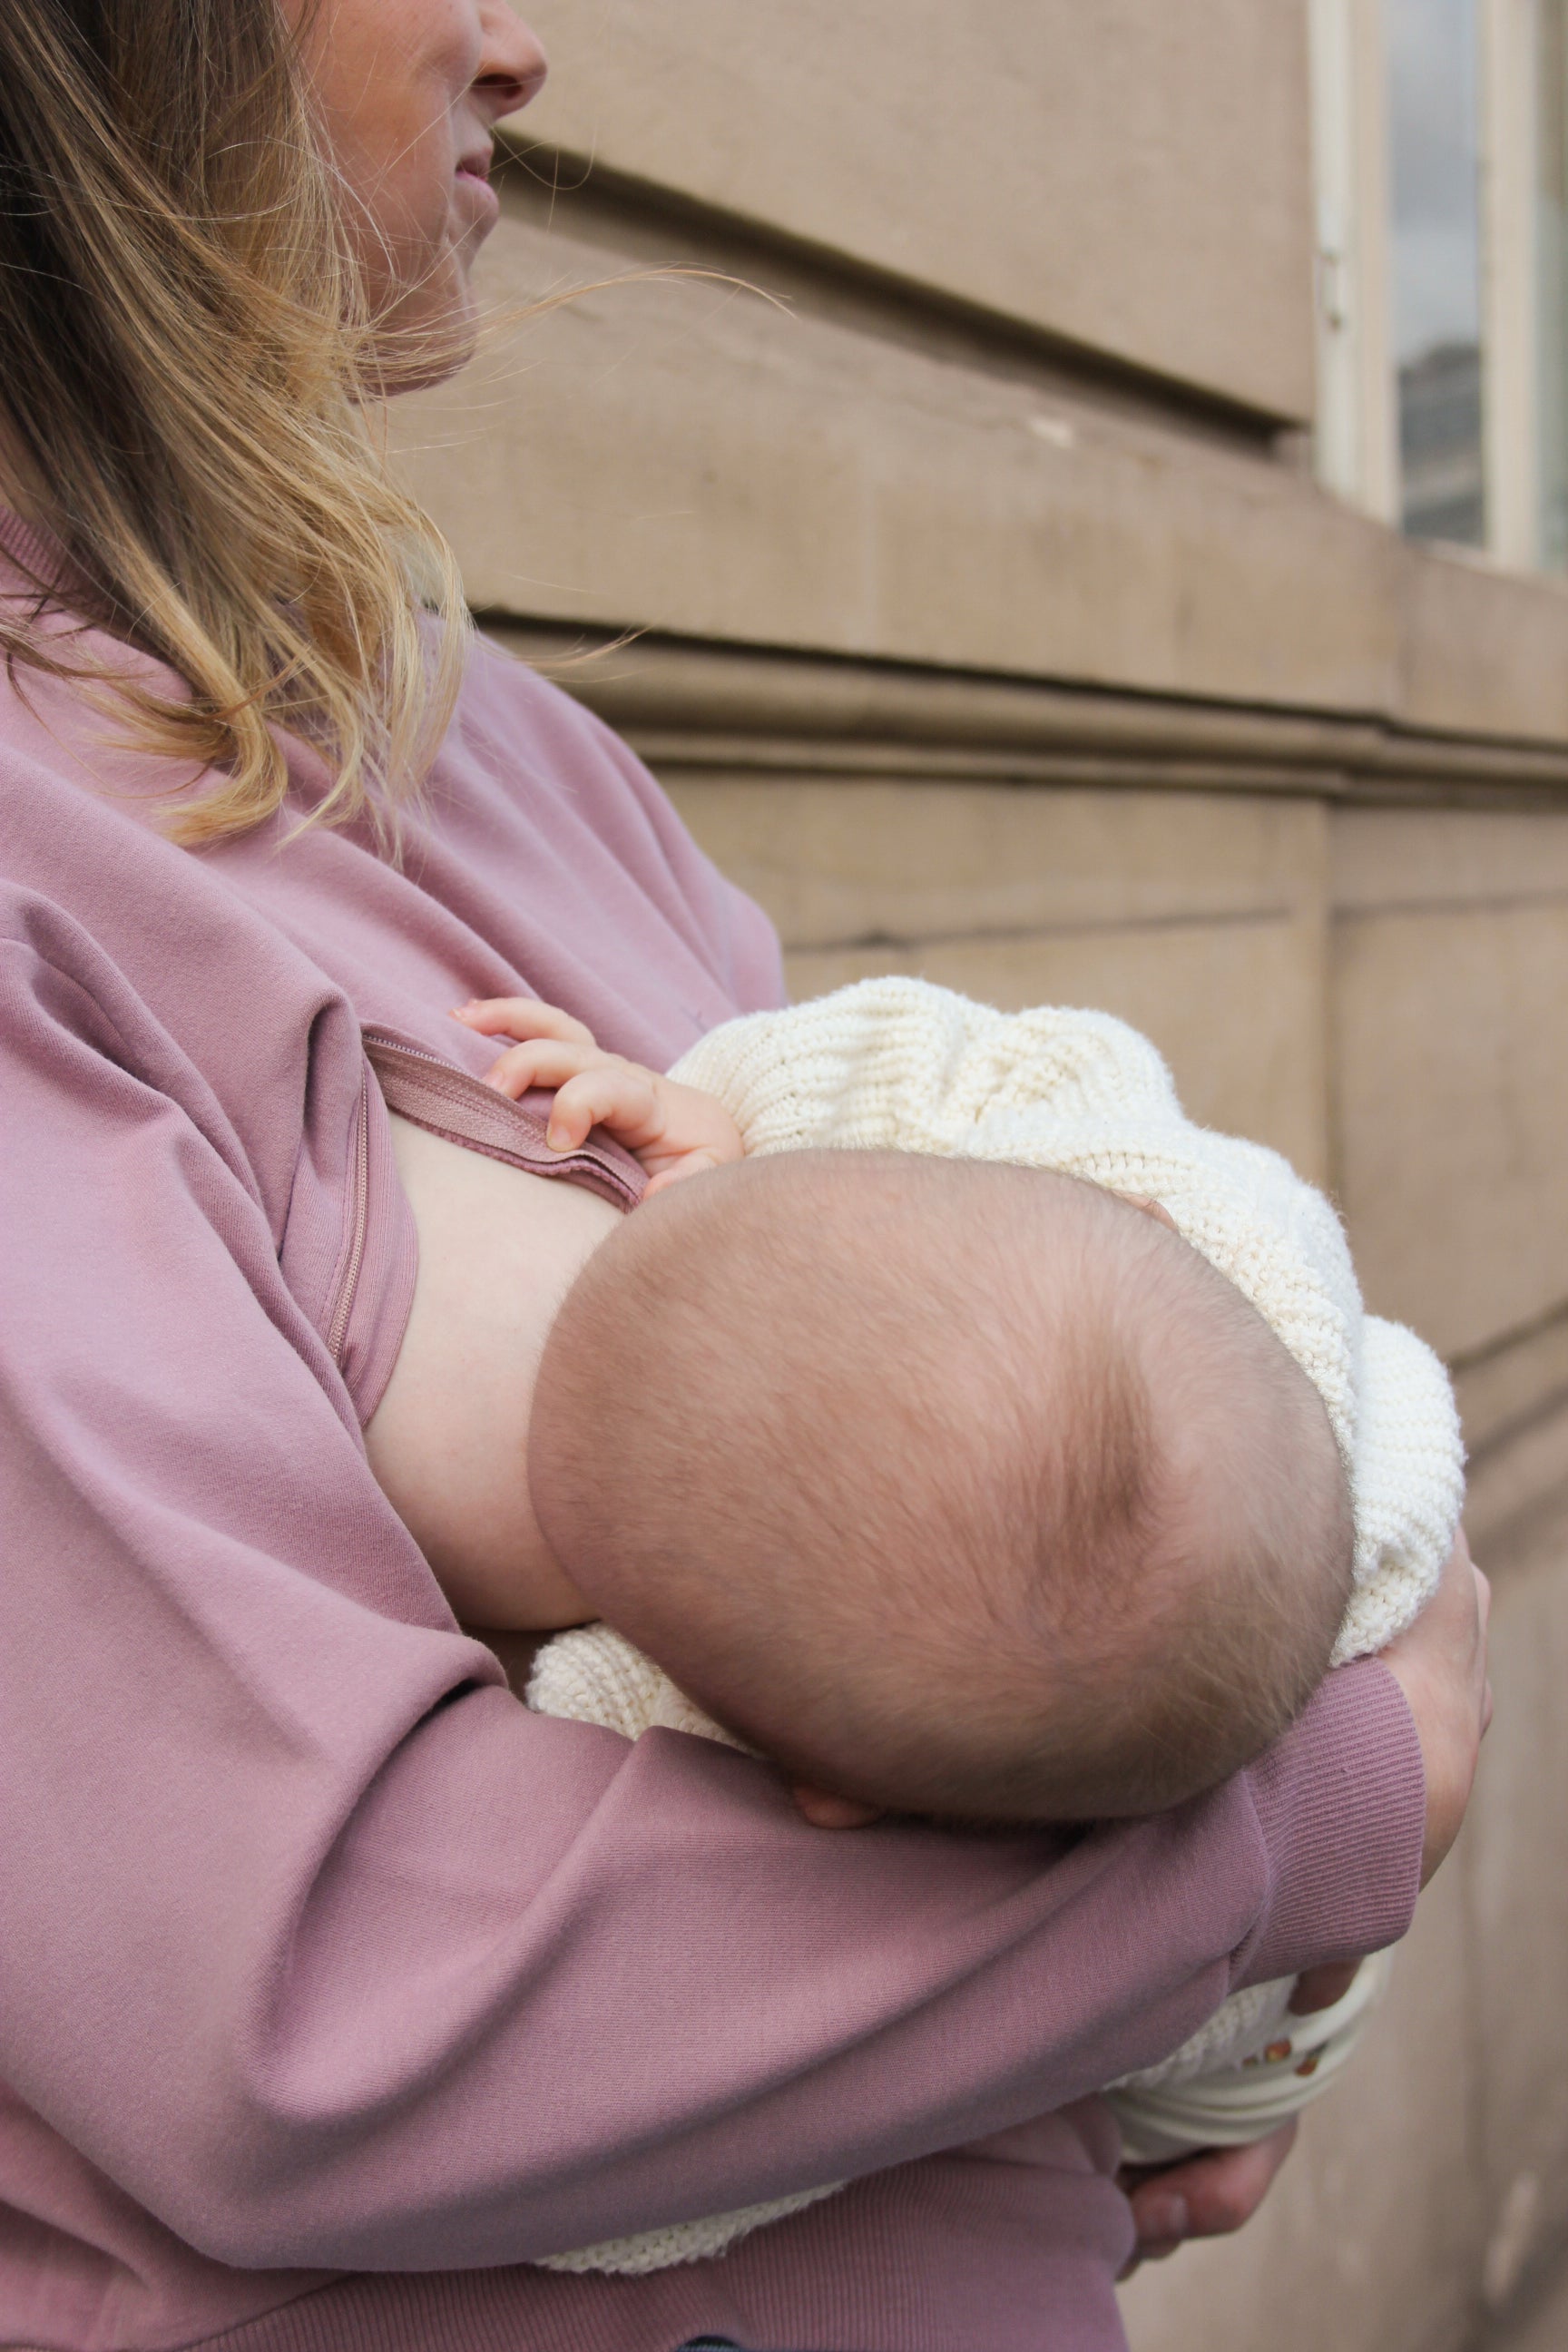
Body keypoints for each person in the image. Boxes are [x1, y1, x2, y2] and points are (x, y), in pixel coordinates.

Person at [0, 5, 1490, 2350]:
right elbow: (308, 2019)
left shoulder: (482, 732)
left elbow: (1034, 1393)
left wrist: (1212, 1999)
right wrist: (1313, 1816)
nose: (518, 45)